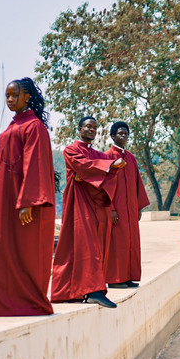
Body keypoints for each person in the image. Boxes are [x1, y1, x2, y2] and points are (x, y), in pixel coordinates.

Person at [0, 77, 56, 317]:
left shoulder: (34, 127)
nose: (10, 100)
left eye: (14, 95)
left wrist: (27, 202)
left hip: (22, 203)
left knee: (23, 252)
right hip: (3, 201)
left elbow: (35, 166)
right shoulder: (11, 128)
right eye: (7, 96)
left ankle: (24, 302)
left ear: (27, 97)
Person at [51, 117, 126, 308]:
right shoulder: (71, 150)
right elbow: (83, 167)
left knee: (97, 244)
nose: (91, 130)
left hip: (96, 203)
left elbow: (93, 173)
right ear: (79, 129)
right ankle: (93, 290)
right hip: (78, 202)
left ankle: (75, 291)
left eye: (94, 127)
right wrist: (107, 167)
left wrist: (100, 171)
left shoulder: (97, 154)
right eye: (88, 126)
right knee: (85, 245)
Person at [104, 121, 150, 289]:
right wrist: (111, 209)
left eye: (126, 133)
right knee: (118, 244)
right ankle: (115, 279)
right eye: (120, 133)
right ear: (113, 136)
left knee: (131, 243)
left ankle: (129, 276)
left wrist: (138, 207)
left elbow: (137, 183)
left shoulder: (130, 158)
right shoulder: (107, 156)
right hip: (117, 210)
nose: (123, 136)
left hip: (130, 209)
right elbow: (104, 185)